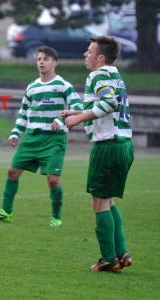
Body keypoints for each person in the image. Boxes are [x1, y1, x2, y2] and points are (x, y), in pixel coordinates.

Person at [0, 46, 82, 227]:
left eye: (46, 59)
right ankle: (5, 211)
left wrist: (62, 121)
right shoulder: (32, 87)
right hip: (31, 138)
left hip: (54, 140)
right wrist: (15, 132)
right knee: (12, 171)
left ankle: (56, 216)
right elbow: (23, 113)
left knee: (53, 180)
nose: (41, 62)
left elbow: (78, 107)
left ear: (55, 63)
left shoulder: (63, 85)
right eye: (39, 59)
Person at [63, 36, 134, 272]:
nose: (85, 54)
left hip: (108, 146)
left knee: (99, 201)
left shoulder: (98, 74)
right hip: (123, 143)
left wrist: (78, 118)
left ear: (100, 58)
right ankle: (121, 252)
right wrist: (75, 111)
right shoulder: (115, 75)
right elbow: (105, 104)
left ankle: (108, 259)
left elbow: (109, 103)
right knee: (108, 199)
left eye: (89, 51)